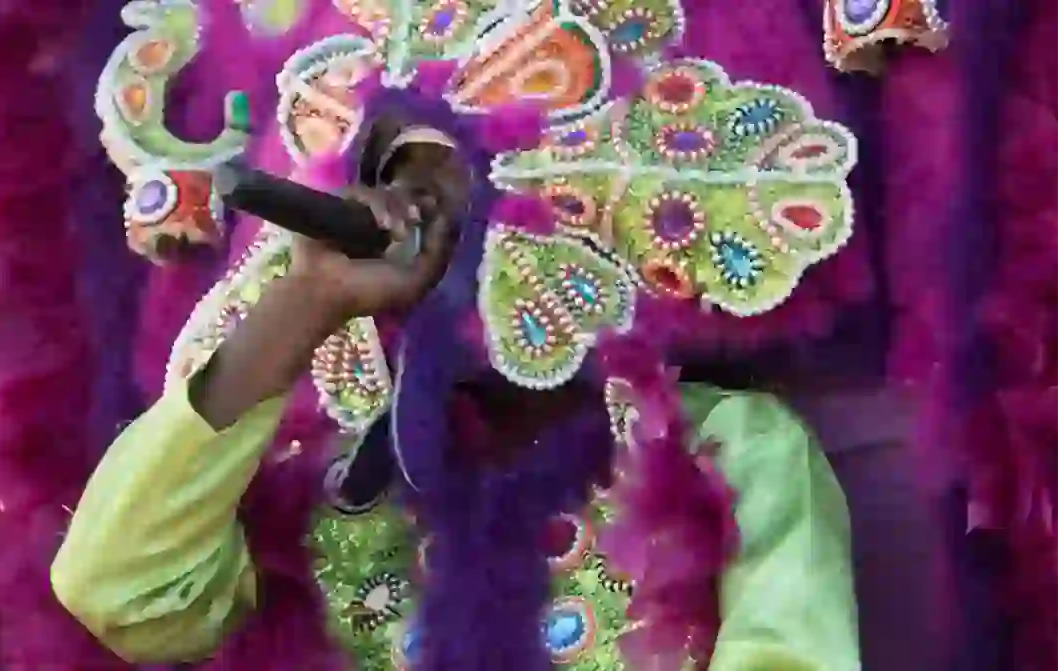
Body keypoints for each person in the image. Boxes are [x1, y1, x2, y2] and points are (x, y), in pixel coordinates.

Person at [57, 1, 862, 668]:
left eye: (445, 186)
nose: (411, 219)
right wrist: (303, 300)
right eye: (383, 180)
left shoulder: (722, 446)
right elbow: (118, 587)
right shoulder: (323, 487)